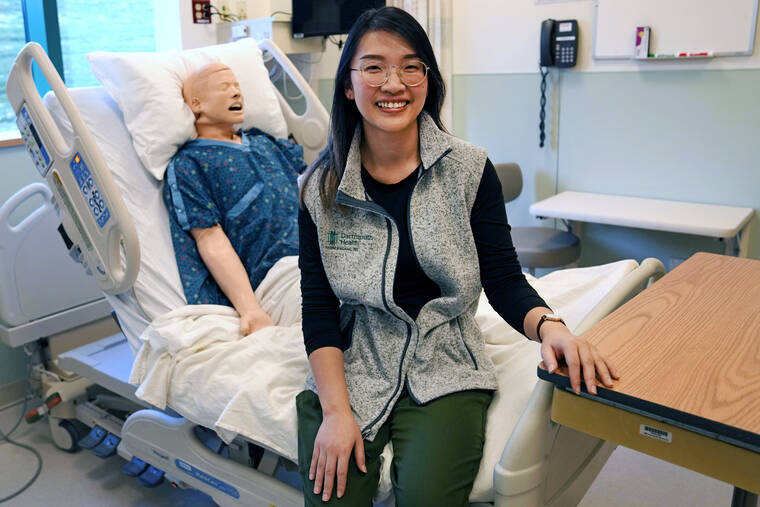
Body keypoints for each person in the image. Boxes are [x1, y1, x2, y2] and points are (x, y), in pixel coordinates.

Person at [296, 6, 619, 506]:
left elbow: (505, 279)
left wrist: (552, 328)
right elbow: (317, 308)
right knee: (332, 494)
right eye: (374, 67)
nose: (394, 83)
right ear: (347, 83)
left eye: (411, 66)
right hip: (357, 360)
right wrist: (336, 412)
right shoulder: (320, 189)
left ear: (428, 79)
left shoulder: (468, 170)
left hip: (446, 359)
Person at [163, 62, 304, 335]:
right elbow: (210, 238)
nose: (236, 92)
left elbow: (314, 187)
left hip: (326, 256)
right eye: (224, 87)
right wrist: (250, 309)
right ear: (196, 104)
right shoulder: (190, 163)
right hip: (278, 276)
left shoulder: (265, 143)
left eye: (237, 86)